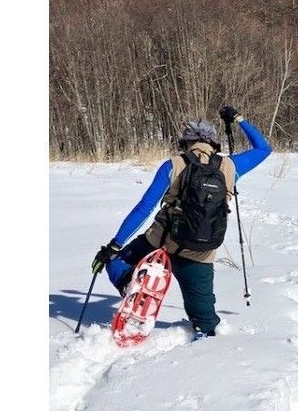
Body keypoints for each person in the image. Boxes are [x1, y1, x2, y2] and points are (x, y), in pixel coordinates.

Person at [91, 106, 271, 339]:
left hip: (159, 244)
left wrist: (114, 246)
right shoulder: (230, 167)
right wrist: (238, 119)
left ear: (186, 142)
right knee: (205, 321)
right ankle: (204, 333)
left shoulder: (174, 165)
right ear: (214, 143)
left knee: (116, 260)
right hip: (201, 254)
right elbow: (264, 148)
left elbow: (144, 208)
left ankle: (131, 281)